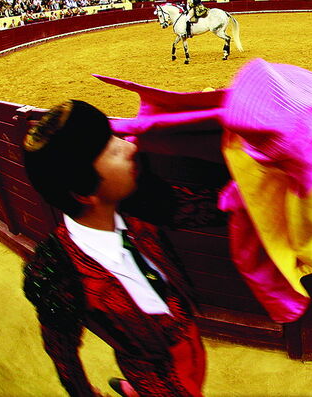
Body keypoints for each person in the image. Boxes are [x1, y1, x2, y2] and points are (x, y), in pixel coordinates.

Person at [22, 100, 215, 397]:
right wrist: (82, 393)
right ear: (85, 193)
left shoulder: (137, 202)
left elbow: (208, 208)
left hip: (192, 347)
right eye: (112, 150)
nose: (130, 148)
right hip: (155, 383)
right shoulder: (58, 270)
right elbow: (61, 347)